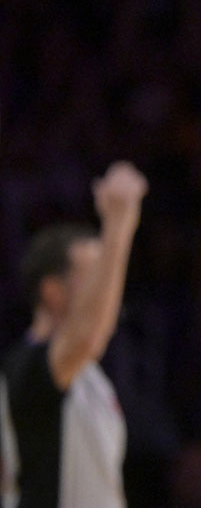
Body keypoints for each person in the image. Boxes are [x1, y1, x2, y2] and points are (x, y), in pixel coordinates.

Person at [1, 161, 148, 508]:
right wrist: (119, 223)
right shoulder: (24, 369)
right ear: (53, 292)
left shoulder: (91, 377)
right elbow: (88, 336)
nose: (108, 288)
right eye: (94, 276)